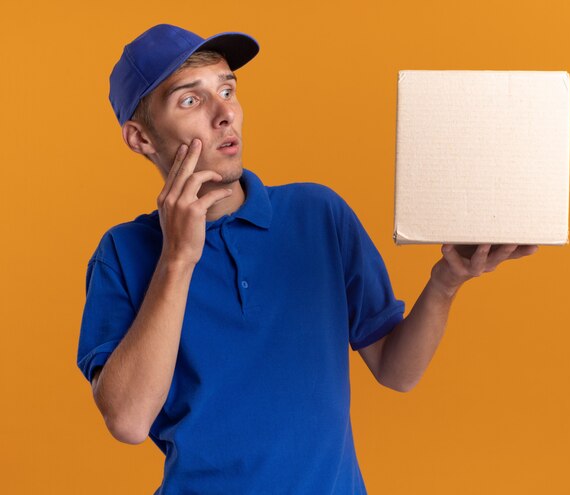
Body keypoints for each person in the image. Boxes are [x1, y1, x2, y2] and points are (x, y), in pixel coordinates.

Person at [76, 24, 539, 495]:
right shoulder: (122, 254)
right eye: (190, 101)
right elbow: (129, 421)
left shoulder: (318, 214)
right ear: (141, 138)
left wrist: (445, 281)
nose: (224, 115)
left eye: (227, 89)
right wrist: (177, 258)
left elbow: (397, 372)